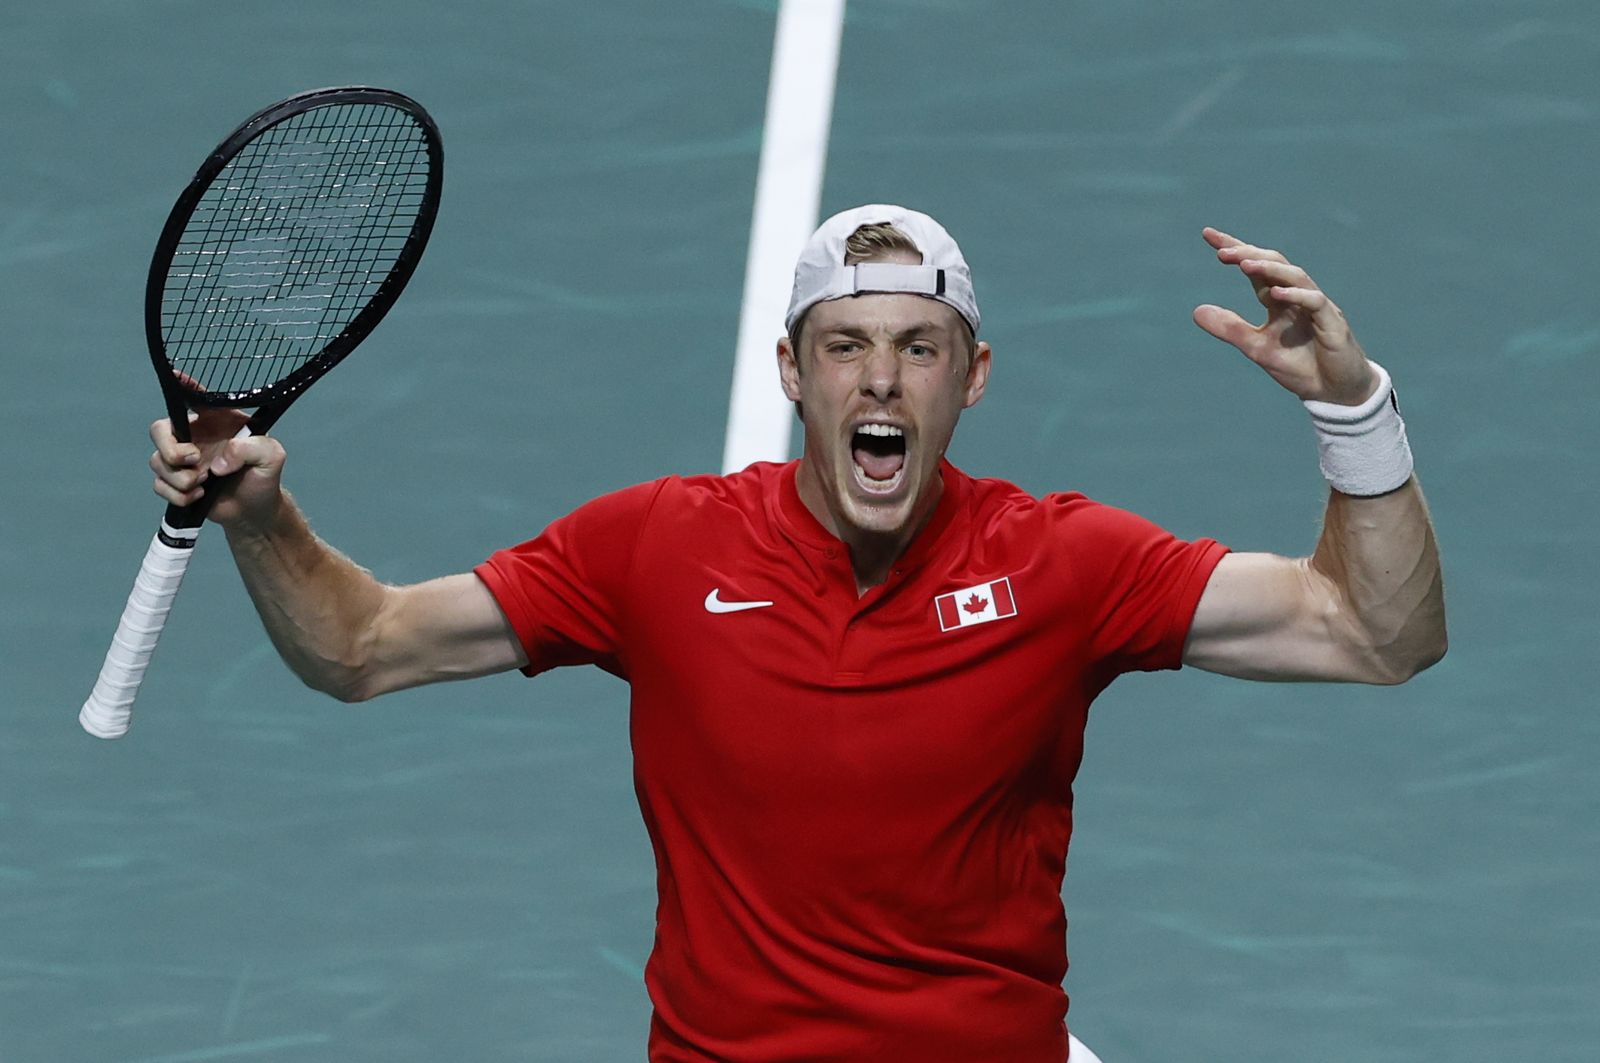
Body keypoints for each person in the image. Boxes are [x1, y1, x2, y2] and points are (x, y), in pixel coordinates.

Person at [148, 204, 1446, 1062]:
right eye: (846, 347)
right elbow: (362, 646)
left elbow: (1373, 633)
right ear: (791, 371)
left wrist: (1355, 411)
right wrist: (261, 517)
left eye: (919, 348)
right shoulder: (656, 549)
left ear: (973, 377)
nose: (880, 378)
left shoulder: (1062, 563)